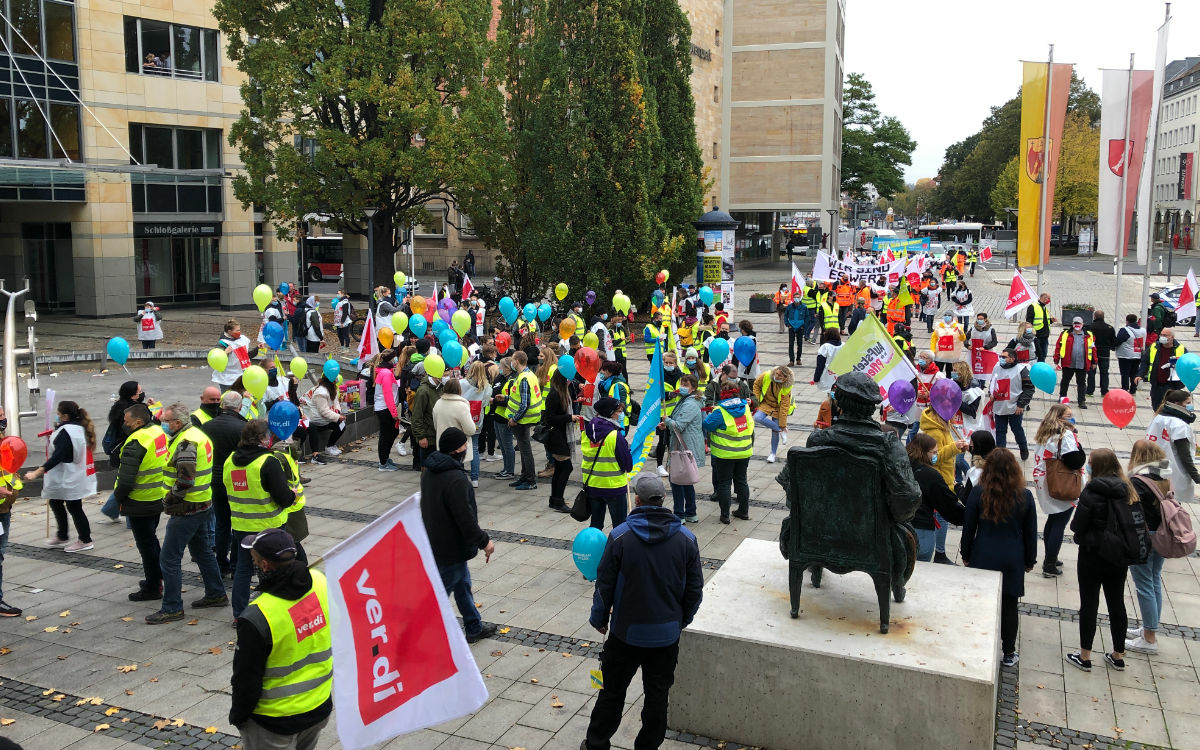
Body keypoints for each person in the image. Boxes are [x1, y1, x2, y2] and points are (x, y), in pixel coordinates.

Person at [583, 473, 703, 750]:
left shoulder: (621, 535)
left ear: (636, 501)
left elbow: (605, 584)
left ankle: (596, 744)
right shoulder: (686, 539)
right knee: (657, 698)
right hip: (666, 636)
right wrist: (681, 620)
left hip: (626, 634)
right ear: (663, 500)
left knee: (611, 693)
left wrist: (599, 619)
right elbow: (695, 589)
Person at [231, 528, 332, 750]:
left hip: (275, 721)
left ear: (265, 565)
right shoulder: (319, 580)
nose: (254, 563)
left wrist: (238, 716)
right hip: (318, 705)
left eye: (255, 559)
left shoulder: (258, 615)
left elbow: (246, 679)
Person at [142, 403, 228, 623]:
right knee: (203, 552)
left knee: (169, 558)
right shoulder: (198, 435)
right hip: (202, 504)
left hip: (187, 508)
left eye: (166, 421)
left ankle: (172, 607)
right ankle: (216, 593)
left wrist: (169, 500)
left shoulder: (186, 443)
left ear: (177, 423)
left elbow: (185, 480)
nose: (163, 424)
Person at [1065, 449, 1146, 673]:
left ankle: (1085, 656)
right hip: (1118, 555)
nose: (1087, 466)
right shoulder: (1128, 489)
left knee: (1089, 604)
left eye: (1090, 463)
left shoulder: (1092, 491)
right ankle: (1118, 655)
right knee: (1117, 604)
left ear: (1097, 467)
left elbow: (1078, 525)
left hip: (1092, 553)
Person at [960, 448, 1038, 667]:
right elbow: (1031, 532)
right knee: (1010, 605)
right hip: (1012, 556)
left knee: (981, 604)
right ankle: (1009, 652)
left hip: (983, 553)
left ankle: (979, 644)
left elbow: (969, 528)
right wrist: (1029, 560)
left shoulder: (978, 492)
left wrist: (966, 554)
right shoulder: (1024, 495)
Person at [420, 427, 498, 643]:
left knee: (462, 585)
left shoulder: (429, 471)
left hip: (436, 542)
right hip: (451, 548)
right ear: (456, 450)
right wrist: (485, 542)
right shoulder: (456, 479)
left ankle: (474, 626)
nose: (467, 448)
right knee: (439, 596)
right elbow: (465, 519)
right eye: (464, 445)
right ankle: (420, 638)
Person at [224, 421, 300, 619]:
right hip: (270, 526)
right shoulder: (268, 462)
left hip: (242, 525)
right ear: (262, 439)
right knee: (275, 567)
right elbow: (282, 497)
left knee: (243, 569)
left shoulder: (230, 460)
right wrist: (293, 495)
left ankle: (239, 613)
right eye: (268, 436)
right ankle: (276, 608)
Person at [21, 400, 97, 553]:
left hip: (69, 476)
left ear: (65, 416)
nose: (57, 417)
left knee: (74, 507)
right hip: (73, 474)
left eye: (58, 414)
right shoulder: (77, 428)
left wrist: (37, 472)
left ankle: (85, 539)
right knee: (56, 502)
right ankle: (62, 535)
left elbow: (58, 456)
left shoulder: (66, 432)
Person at [114, 403, 169, 602]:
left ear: (138, 422)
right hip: (157, 496)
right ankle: (159, 576)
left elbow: (126, 480)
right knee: (151, 540)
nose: (124, 424)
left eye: (126, 422)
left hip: (139, 501)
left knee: (146, 546)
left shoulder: (136, 442)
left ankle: (153, 587)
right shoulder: (157, 431)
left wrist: (117, 498)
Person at [1125, 440, 1171, 655]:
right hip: (1162, 536)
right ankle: (1148, 628)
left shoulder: (1138, 481)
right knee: (1154, 581)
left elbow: (1131, 509)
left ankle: (1149, 638)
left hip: (1144, 537)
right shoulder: (1163, 477)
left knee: (1144, 584)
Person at [1032, 404, 1084, 579]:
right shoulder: (1065, 435)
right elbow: (1074, 460)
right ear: (1059, 417)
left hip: (1045, 480)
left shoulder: (1045, 431)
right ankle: (1049, 563)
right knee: (1059, 522)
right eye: (1068, 416)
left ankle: (1050, 555)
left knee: (1053, 519)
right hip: (1061, 482)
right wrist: (1080, 447)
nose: (1072, 418)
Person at [199, 390, 247, 578]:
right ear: (240, 407)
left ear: (222, 405)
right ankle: (236, 565)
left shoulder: (207, 426)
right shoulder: (243, 427)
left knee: (221, 524)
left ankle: (221, 562)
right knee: (237, 523)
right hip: (236, 482)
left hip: (213, 481)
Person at [906, 433, 965, 563]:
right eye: (934, 452)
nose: (936, 456)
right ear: (923, 452)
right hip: (921, 531)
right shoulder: (930, 475)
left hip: (899, 528)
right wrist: (967, 515)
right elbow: (948, 504)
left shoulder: (901, 467)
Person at [704, 386, 754, 524]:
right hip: (744, 451)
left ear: (722, 395)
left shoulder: (720, 411)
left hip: (724, 454)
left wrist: (711, 414)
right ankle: (743, 511)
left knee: (724, 483)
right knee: (742, 481)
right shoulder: (745, 407)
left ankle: (725, 515)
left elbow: (707, 425)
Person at [582, 397, 634, 529]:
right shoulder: (615, 436)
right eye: (618, 411)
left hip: (593, 485)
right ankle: (617, 549)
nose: (620, 414)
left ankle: (594, 548)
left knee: (596, 524)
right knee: (619, 525)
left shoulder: (586, 433)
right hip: (614, 487)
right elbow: (627, 465)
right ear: (610, 413)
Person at [1145, 388, 1200, 503]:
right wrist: (1196, 477)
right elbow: (1184, 455)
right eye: (1188, 403)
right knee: (1170, 506)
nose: (1190, 407)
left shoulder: (1158, 418)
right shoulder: (1179, 425)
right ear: (1177, 404)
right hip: (1173, 472)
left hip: (1153, 468)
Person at [664, 373, 704, 523]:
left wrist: (667, 420)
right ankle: (691, 513)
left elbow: (679, 425)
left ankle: (679, 515)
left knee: (676, 480)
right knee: (686, 480)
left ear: (693, 388)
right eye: (682, 383)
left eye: (686, 385)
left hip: (683, 447)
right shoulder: (687, 400)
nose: (682, 387)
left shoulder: (690, 404)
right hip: (685, 445)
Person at [505, 350, 543, 490]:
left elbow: (525, 403)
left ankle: (530, 480)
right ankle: (524, 476)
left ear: (517, 362)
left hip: (522, 420)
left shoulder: (524, 378)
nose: (511, 362)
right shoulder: (527, 375)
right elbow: (521, 397)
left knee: (525, 450)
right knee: (523, 449)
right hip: (524, 419)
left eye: (513, 360)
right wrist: (505, 398)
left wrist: (515, 419)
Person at [988, 347, 1034, 461]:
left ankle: (1023, 448)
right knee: (1000, 431)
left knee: (1017, 429)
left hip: (1014, 406)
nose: (1001, 358)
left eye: (1004, 357)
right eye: (1001, 356)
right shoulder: (997, 367)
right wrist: (991, 393)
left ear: (1012, 359)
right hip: (999, 405)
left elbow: (1029, 389)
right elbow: (992, 382)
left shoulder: (1022, 370)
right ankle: (1000, 454)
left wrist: (1021, 404)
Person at [542, 370, 576, 513]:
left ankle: (554, 499)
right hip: (555, 436)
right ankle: (558, 501)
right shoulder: (555, 394)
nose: (570, 381)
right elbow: (549, 418)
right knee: (567, 467)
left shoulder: (563, 392)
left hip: (560, 434)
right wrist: (569, 418)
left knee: (560, 468)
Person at [433, 378, 477, 486]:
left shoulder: (438, 403)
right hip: (458, 447)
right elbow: (470, 429)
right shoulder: (462, 405)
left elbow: (436, 425)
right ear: (459, 390)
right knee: (457, 473)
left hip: (442, 444)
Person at [460, 361, 494, 485]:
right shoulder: (487, 386)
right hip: (477, 420)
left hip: (462, 419)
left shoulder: (462, 383)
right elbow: (485, 403)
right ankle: (475, 479)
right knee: (474, 447)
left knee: (460, 447)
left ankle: (461, 475)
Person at [1137, 328, 1185, 411]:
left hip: (1172, 386)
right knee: (1156, 408)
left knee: (1171, 410)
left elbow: (1187, 365)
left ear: (1172, 337)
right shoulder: (1154, 347)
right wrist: (1140, 374)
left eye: (1165, 335)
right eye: (1161, 335)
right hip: (1157, 385)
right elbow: (1145, 361)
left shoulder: (1181, 349)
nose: (1162, 337)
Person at [1053, 317, 1096, 408]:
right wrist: (1056, 359)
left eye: (1079, 323)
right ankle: (1063, 399)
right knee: (1065, 381)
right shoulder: (1065, 334)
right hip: (1068, 363)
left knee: (1081, 383)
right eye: (1075, 323)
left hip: (1082, 363)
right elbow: (1058, 347)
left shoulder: (1089, 335)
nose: (1077, 325)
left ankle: (1081, 401)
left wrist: (1094, 361)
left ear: (1082, 324)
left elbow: (1093, 349)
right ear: (1072, 324)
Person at [752, 366, 792, 464]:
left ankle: (772, 454)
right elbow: (756, 385)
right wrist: (757, 399)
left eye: (780, 376)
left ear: (785, 378)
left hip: (778, 408)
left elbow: (784, 407)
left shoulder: (786, 387)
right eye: (776, 373)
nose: (776, 376)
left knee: (774, 433)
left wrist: (783, 424)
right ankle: (780, 430)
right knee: (757, 417)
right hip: (765, 403)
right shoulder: (766, 375)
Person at [303, 374, 343, 463]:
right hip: (315, 418)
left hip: (323, 418)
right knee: (313, 429)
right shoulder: (320, 392)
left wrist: (338, 412)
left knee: (342, 425)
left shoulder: (332, 389)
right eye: (334, 380)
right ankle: (315, 455)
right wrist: (337, 417)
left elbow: (336, 403)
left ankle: (330, 446)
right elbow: (323, 411)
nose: (336, 381)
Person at [372, 349, 401, 471]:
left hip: (385, 407)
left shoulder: (386, 372)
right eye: (394, 358)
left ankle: (385, 458)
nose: (396, 360)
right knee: (386, 435)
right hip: (385, 409)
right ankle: (383, 462)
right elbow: (388, 394)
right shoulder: (386, 374)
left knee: (392, 433)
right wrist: (394, 413)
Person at [489, 358, 517, 479]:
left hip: (505, 416)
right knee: (502, 444)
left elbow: (510, 399)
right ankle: (506, 468)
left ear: (508, 367)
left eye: (501, 366)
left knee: (507, 445)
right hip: (497, 415)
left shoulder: (512, 379)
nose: (499, 368)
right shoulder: (500, 377)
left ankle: (510, 471)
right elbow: (494, 389)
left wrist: (494, 400)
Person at [213, 320, 259, 392]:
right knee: (227, 399)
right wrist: (225, 352)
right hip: (227, 378)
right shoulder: (222, 344)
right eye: (237, 330)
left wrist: (258, 348)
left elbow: (246, 356)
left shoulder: (241, 340)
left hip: (240, 376)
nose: (239, 332)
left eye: (239, 330)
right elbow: (216, 359)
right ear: (230, 331)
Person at [958, 430, 997, 501]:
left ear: (978, 447)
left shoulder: (976, 473)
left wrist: (957, 487)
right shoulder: (1001, 466)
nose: (969, 445)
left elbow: (965, 498)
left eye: (971, 443)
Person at [1085, 310, 1115, 398]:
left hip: (1092, 353)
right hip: (1105, 353)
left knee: (1091, 372)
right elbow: (1113, 340)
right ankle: (1104, 391)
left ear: (1094, 316)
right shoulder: (1110, 328)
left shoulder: (1090, 327)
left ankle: (1090, 391)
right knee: (1104, 373)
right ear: (1103, 317)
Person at [1114, 314, 1147, 394]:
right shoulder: (1143, 330)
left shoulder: (1125, 330)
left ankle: (1125, 389)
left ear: (1127, 321)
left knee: (1125, 373)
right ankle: (1133, 389)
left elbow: (1117, 341)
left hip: (1125, 356)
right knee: (1134, 373)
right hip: (1137, 355)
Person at [1026, 293, 1056, 362]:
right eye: (1048, 298)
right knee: (1037, 355)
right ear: (1044, 298)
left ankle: (1041, 367)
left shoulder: (1044, 307)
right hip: (1036, 336)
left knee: (1043, 355)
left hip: (1045, 336)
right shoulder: (1033, 306)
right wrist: (1029, 334)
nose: (1049, 300)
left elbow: (1044, 321)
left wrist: (1051, 320)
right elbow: (1029, 322)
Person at [813, 327, 842, 393]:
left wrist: (816, 378)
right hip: (840, 376)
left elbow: (820, 365)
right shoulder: (843, 345)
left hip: (827, 376)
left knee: (830, 395)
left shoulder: (825, 347)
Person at [784, 293, 808, 366]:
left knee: (799, 344)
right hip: (791, 327)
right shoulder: (789, 307)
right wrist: (788, 324)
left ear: (800, 298)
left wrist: (804, 326)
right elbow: (785, 316)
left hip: (800, 327)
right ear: (793, 298)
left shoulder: (804, 307)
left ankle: (798, 359)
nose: (796, 299)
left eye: (798, 297)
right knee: (791, 344)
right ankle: (791, 360)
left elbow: (807, 317)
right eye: (795, 297)